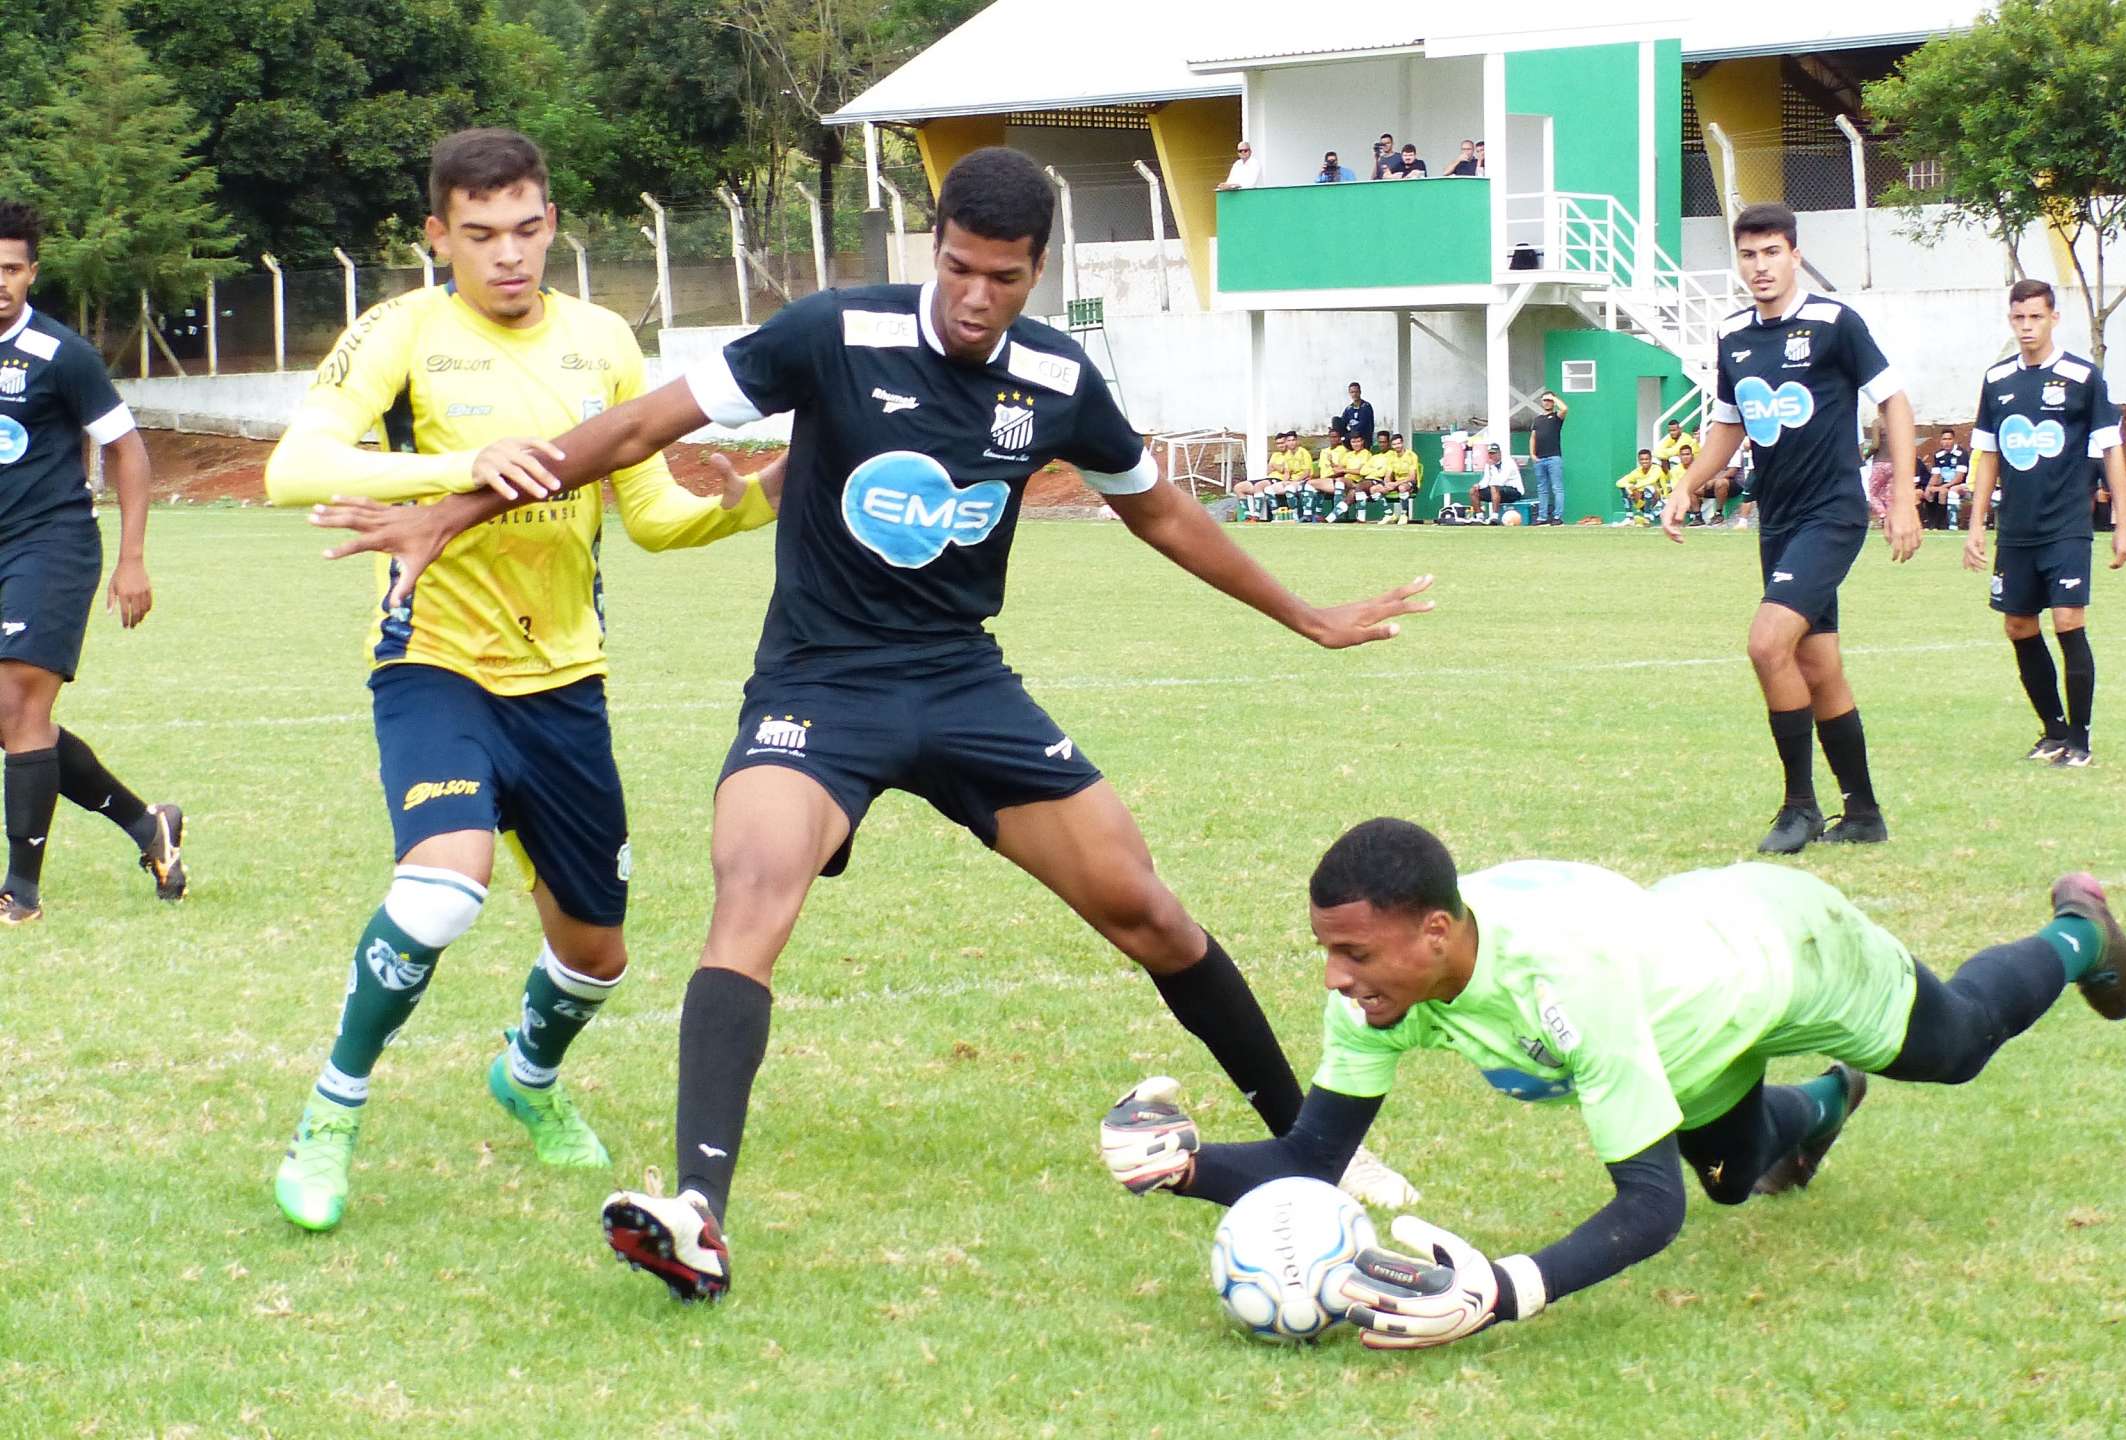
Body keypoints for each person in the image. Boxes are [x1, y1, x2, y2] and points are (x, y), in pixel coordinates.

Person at [311, 146, 1432, 1300]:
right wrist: (448, 509)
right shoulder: (834, 333)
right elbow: (636, 428)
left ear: (1035, 271)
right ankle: (697, 1213)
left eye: (1000, 277)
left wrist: (1301, 612)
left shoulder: (1055, 379)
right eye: (954, 267)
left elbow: (1156, 510)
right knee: (749, 892)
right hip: (816, 686)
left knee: (1146, 911)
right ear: (930, 245)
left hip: (962, 684)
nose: (972, 296)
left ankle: (1313, 1154)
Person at [259, 129, 785, 1232]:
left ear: (552, 224)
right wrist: (461, 468)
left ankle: (528, 1077)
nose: (509, 255)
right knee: (443, 886)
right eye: (481, 234)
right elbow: (295, 463)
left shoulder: (600, 342)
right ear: (437, 235)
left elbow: (649, 518)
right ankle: (331, 1114)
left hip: (567, 684)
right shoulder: (401, 327)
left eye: (529, 229)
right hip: (434, 661)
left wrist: (752, 500)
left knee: (596, 954)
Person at [1097, 817, 2126, 1349]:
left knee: (1953, 1045)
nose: (1333, 977)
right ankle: (1821, 1108)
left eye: (1354, 954)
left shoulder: (1565, 979)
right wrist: (1180, 1167)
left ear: (1437, 931)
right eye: (1327, 951)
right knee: (1736, 1175)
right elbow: (1311, 1161)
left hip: (1779, 950)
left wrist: (1501, 1292)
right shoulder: (1378, 990)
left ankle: (2077, 932)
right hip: (1682, 1016)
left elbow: (1650, 1206)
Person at [1663, 202, 1919, 853]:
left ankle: (1800, 806)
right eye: (1748, 255)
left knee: (1766, 643)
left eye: (1771, 252)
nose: (1760, 266)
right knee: (1817, 662)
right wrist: (1686, 484)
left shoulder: (1835, 323)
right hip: (1776, 520)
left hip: (1832, 514)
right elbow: (1727, 426)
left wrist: (1906, 496)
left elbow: (1894, 400)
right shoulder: (1733, 336)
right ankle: (1862, 814)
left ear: (1794, 255)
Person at [0, 200, 182, 926]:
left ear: (31, 273)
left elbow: (127, 449)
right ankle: (149, 826)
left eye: (10, 269)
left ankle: (22, 890)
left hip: (53, 544)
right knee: (9, 718)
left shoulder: (61, 354)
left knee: (20, 705)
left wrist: (132, 558)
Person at [1961, 278, 2126, 769]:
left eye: (2036, 317)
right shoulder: (1997, 381)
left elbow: (2112, 450)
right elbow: (1987, 455)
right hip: (2016, 529)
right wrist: (1977, 524)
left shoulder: (2082, 377)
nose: (2027, 326)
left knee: (2067, 620)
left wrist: (2122, 523)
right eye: (2019, 318)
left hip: (2067, 526)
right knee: (2018, 626)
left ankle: (2080, 738)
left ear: (2054, 317)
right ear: (2010, 319)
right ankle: (2052, 730)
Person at [1527, 391, 1568, 525]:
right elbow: (1533, 437)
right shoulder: (1538, 420)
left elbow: (1564, 409)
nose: (1547, 402)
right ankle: (1542, 517)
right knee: (1542, 489)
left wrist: (1554, 398)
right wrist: (1532, 454)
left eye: (1549, 400)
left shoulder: (1556, 417)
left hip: (1553, 457)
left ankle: (1557, 517)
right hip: (1540, 458)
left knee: (1557, 488)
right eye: (1545, 400)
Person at [1923, 430, 1966, 530]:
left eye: (1949, 439)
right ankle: (1931, 522)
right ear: (1940, 441)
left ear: (1954, 440)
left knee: (1942, 492)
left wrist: (1944, 486)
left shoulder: (1961, 454)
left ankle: (1941, 524)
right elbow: (1935, 475)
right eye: (1944, 439)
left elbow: (1959, 477)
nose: (1946, 442)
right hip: (1944, 484)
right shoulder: (1938, 455)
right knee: (1929, 492)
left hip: (1959, 485)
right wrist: (1929, 487)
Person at [1470, 444, 1524, 523]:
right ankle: (1480, 516)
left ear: (1499, 453)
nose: (1492, 455)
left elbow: (1500, 481)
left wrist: (1493, 467)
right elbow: (1485, 480)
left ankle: (1494, 516)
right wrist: (1479, 485)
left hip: (1514, 491)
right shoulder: (1488, 464)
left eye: (1494, 453)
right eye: (1490, 453)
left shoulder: (1508, 463)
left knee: (1494, 487)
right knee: (1473, 491)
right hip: (1497, 491)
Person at [1379, 432, 1421, 524]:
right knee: (1376, 489)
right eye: (1394, 444)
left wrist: (1395, 484)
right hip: (1396, 482)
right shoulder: (1391, 456)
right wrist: (1387, 483)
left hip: (1410, 483)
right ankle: (1388, 514)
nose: (1397, 446)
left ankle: (1403, 514)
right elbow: (1388, 474)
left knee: (1402, 487)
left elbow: (1412, 477)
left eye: (1398, 443)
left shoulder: (1412, 456)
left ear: (1402, 443)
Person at [1616, 447, 1662, 525]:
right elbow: (1619, 482)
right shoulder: (1637, 471)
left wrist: (1636, 486)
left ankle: (1647, 517)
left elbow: (1651, 480)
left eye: (1646, 459)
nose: (1644, 461)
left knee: (1649, 488)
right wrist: (1629, 487)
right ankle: (1629, 517)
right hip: (1644, 501)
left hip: (1659, 502)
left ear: (1651, 460)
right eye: (1642, 459)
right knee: (1624, 488)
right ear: (1639, 460)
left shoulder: (1656, 468)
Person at [1337, 382, 1376, 447]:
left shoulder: (1366, 406)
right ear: (1349, 393)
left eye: (1356, 392)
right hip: (1352, 439)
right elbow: (1342, 423)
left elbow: (1362, 426)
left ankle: (1347, 439)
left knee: (1356, 432)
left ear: (1360, 392)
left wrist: (1347, 436)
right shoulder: (1349, 408)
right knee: (1335, 420)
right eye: (1352, 392)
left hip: (1363, 439)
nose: (1354, 394)